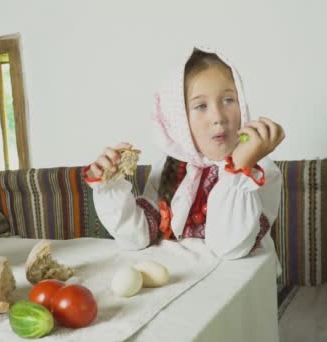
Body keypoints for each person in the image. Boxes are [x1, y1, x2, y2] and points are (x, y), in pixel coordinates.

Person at [83, 46, 285, 261]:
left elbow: (229, 248)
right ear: (177, 118)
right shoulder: (171, 167)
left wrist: (240, 166)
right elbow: (137, 238)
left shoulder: (258, 172)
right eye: (201, 106)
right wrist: (109, 184)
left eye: (228, 100)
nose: (218, 116)